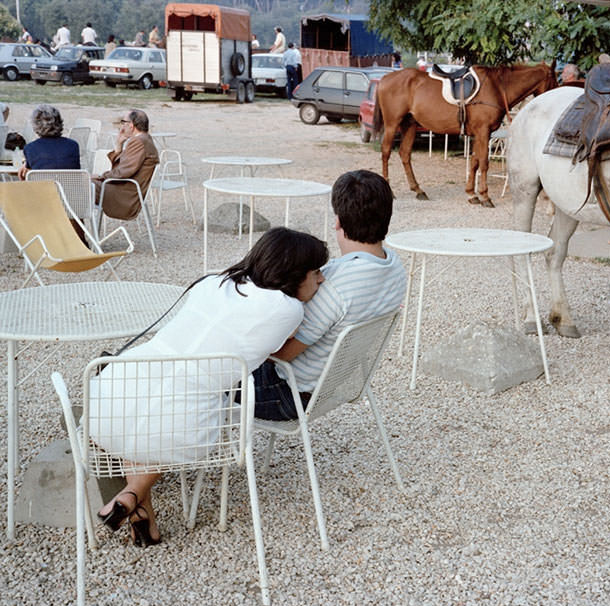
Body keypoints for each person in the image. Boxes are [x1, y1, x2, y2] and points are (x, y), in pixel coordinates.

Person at [91, 228, 329, 546]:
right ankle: (131, 495)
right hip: (184, 416)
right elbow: (274, 351)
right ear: (295, 274)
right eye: (316, 272)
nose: (322, 280)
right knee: (162, 428)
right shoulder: (287, 310)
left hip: (114, 395)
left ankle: (134, 502)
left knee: (141, 426)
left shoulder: (213, 282)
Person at [251, 169, 407, 421]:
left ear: (338, 221)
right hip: (332, 387)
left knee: (206, 367)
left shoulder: (333, 283)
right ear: (386, 217)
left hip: (289, 393)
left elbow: (283, 353)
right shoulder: (395, 268)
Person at [91, 109, 158, 220]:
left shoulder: (138, 142)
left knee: (78, 186)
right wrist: (119, 145)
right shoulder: (144, 139)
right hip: (124, 189)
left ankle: (76, 234)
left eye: (123, 122)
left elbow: (122, 172)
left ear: (131, 125)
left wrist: (100, 176)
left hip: (125, 196)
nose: (121, 127)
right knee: (80, 186)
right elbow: (122, 169)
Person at [17, 105, 80, 180]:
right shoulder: (73, 145)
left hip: (43, 190)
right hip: (71, 190)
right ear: (59, 122)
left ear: (36, 125)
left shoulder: (30, 148)